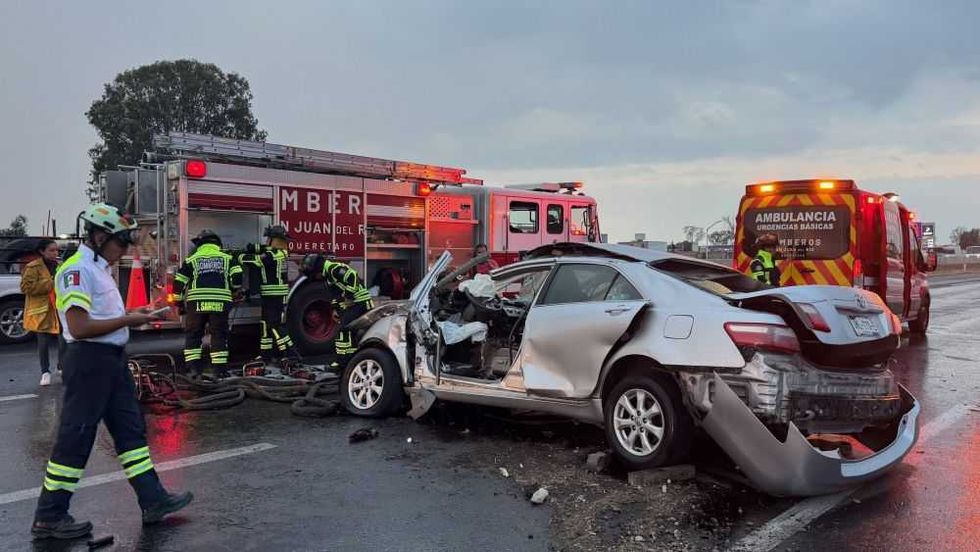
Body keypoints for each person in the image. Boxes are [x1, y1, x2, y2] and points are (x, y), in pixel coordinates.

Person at [31, 203, 192, 541]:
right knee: (76, 438)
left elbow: (102, 316)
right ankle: (50, 516)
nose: (125, 250)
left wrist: (136, 312)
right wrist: (129, 320)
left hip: (112, 361)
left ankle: (153, 500)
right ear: (100, 236)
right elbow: (80, 325)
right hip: (89, 361)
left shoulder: (100, 268)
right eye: (120, 242)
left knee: (131, 432)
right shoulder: (77, 270)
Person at [173, 229, 242, 379]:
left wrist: (178, 302)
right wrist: (235, 290)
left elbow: (179, 281)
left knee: (193, 335)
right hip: (219, 303)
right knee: (218, 335)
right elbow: (237, 276)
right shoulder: (227, 258)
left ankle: (193, 370)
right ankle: (219, 371)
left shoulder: (192, 259)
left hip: (196, 303)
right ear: (217, 243)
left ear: (200, 244)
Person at [301, 253, 373, 370]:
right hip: (351, 305)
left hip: (360, 302)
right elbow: (335, 294)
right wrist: (335, 309)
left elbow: (352, 276)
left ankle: (344, 362)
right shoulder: (328, 276)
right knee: (346, 331)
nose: (316, 277)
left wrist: (349, 297)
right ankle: (347, 361)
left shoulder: (334, 269)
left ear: (318, 269)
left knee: (345, 329)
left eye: (315, 274)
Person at [241, 225, 299, 366]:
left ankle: (291, 353)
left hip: (275, 295)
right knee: (265, 325)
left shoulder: (274, 255)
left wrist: (240, 256)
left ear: (274, 240)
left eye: (269, 238)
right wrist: (252, 247)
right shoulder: (278, 252)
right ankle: (266, 355)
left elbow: (253, 260)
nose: (267, 241)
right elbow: (262, 249)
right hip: (270, 295)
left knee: (275, 325)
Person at [20, 239, 65, 386]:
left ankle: (62, 366)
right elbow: (26, 287)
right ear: (42, 251)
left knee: (63, 339)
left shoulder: (60, 265)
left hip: (58, 306)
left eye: (57, 250)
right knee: (43, 342)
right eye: (52, 250)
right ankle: (45, 371)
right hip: (42, 309)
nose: (55, 253)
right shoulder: (33, 267)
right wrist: (50, 282)